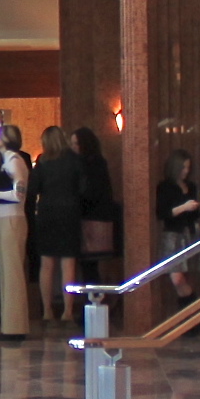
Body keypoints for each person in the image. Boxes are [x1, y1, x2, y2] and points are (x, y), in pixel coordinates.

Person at [28, 122, 82, 326]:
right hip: (69, 212)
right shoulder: (74, 160)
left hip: (47, 213)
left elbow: (33, 189)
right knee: (68, 264)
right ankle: (68, 311)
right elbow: (82, 186)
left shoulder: (42, 161)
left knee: (47, 264)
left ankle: (47, 311)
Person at [0, 129, 31, 340]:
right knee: (6, 274)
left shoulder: (14, 161)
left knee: (12, 274)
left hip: (12, 218)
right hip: (5, 220)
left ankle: (16, 328)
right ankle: (9, 326)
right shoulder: (7, 161)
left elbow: (18, 194)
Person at [156, 149, 200, 303]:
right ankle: (194, 306)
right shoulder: (165, 186)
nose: (186, 171)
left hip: (190, 232)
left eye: (188, 168)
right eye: (183, 167)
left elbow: (193, 215)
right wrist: (184, 207)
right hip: (173, 234)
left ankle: (187, 317)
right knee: (177, 277)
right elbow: (162, 213)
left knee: (188, 276)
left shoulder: (191, 186)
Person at [71, 127, 120, 288]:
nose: (73, 148)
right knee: (91, 267)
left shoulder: (88, 164)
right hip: (97, 216)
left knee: (89, 266)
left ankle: (93, 301)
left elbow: (90, 192)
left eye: (76, 144)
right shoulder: (98, 162)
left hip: (91, 217)